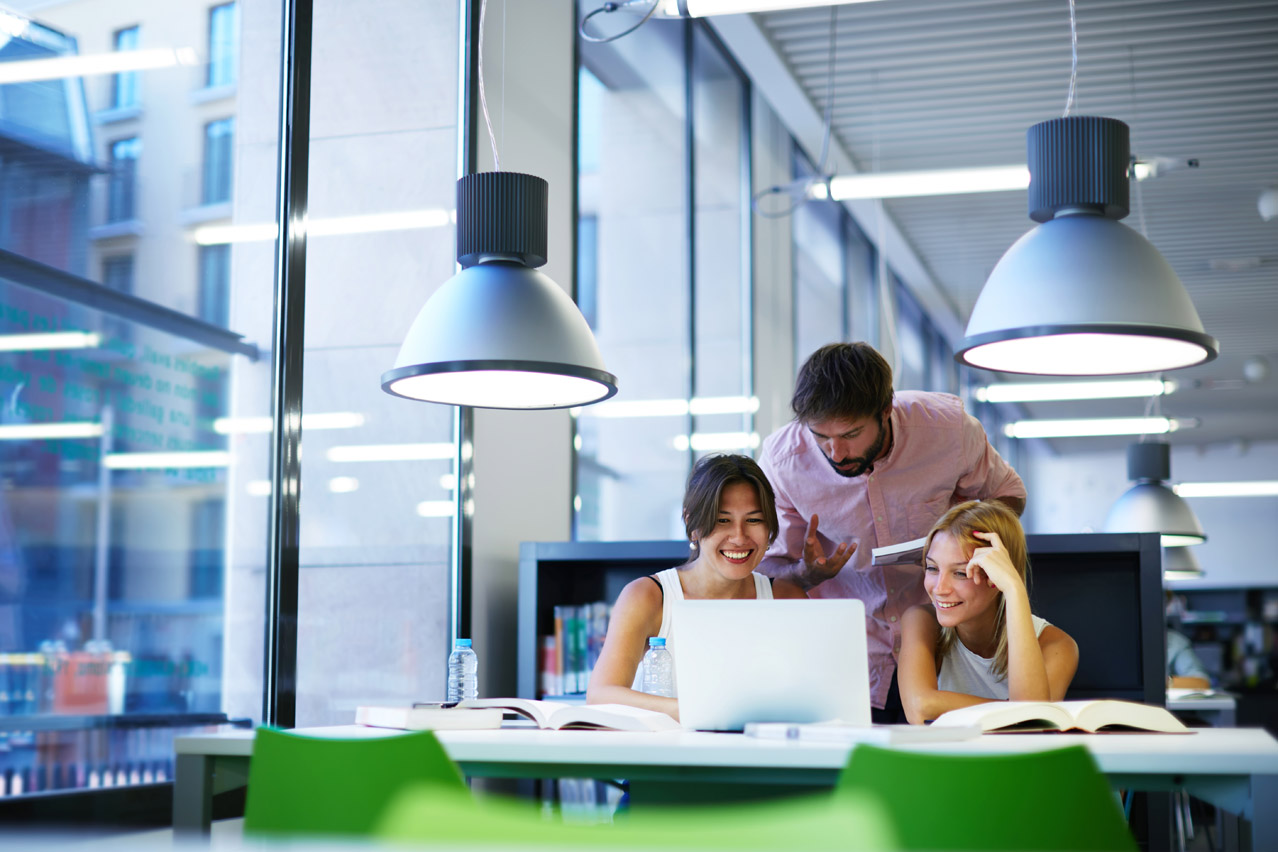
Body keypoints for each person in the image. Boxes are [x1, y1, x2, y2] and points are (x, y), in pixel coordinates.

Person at [758, 342, 1026, 721]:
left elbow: (1008, 497)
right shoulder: (782, 461)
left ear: (886, 411)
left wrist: (961, 540)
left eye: (851, 434)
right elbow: (764, 570)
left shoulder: (947, 428)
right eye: (821, 436)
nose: (835, 452)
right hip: (848, 659)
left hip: (949, 647)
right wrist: (806, 574)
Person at [587, 454, 806, 720]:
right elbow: (601, 695)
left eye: (753, 520)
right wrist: (695, 710)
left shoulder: (788, 599)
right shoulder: (647, 596)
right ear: (693, 525)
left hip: (757, 757)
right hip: (668, 756)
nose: (739, 537)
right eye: (722, 520)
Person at [897, 500, 1078, 724]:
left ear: (998, 575)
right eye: (933, 568)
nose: (940, 589)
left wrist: (1013, 589)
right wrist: (1014, 710)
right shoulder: (921, 620)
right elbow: (920, 707)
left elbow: (1031, 724)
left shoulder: (1057, 645)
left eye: (961, 573)